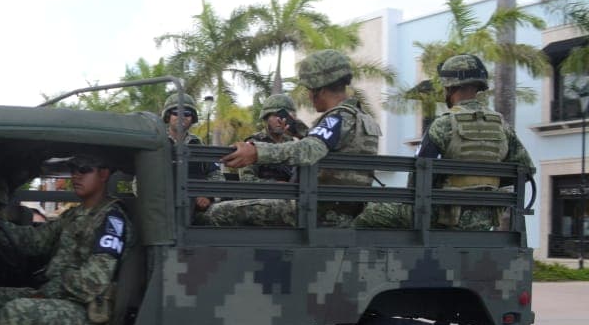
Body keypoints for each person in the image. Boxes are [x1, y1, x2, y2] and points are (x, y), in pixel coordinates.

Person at [0, 153, 132, 325]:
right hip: (56, 296)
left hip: (86, 311)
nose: (76, 175)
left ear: (104, 174)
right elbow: (35, 242)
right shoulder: (74, 214)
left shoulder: (112, 220)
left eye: (84, 168)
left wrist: (49, 291)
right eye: (73, 168)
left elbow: (93, 283)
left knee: (17, 312)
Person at [203, 49, 381, 227]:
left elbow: (309, 150)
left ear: (318, 89)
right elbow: (334, 146)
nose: (309, 96)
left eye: (308, 90)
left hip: (316, 210)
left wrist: (257, 151)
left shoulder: (337, 118)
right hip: (347, 210)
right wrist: (300, 131)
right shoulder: (362, 118)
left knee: (216, 213)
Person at [356, 54, 534, 230]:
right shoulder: (502, 125)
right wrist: (487, 188)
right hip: (485, 219)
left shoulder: (444, 124)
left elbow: (418, 178)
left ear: (449, 87)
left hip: (443, 217)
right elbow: (525, 171)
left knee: (365, 213)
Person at [163, 91, 223, 212]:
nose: (182, 116)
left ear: (192, 118)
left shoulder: (198, 145)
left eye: (187, 113)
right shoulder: (157, 142)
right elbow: (141, 179)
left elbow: (216, 177)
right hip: (162, 206)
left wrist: (208, 196)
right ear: (168, 116)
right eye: (176, 112)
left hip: (194, 207)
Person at [239, 93, 302, 183]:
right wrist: (274, 185)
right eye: (275, 115)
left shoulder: (291, 143)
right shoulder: (254, 143)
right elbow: (246, 179)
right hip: (263, 195)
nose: (279, 120)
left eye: (284, 116)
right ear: (266, 118)